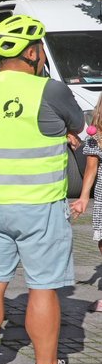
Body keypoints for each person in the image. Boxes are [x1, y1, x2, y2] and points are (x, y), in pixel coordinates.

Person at [0, 14, 90, 364]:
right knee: (43, 287)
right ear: (34, 52)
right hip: (39, 207)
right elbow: (80, 130)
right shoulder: (47, 90)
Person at [71, 95, 102, 312]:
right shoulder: (95, 136)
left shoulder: (96, 136)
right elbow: (91, 169)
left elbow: (91, 169)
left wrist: (83, 198)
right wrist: (83, 198)